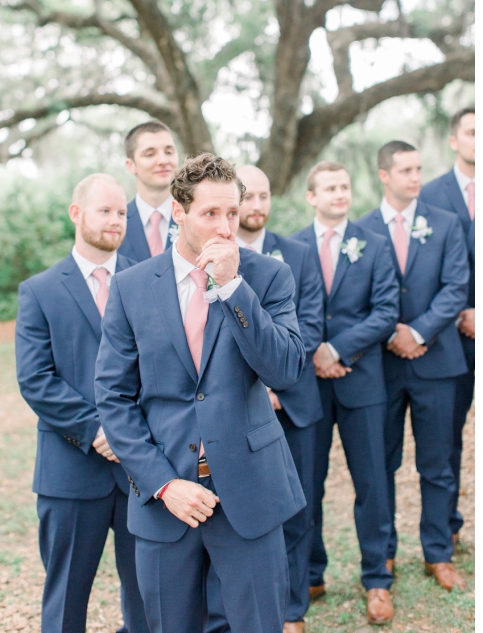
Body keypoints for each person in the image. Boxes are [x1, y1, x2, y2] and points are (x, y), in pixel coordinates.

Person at [95, 153, 307, 633]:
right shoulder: (130, 289)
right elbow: (113, 397)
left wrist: (233, 287)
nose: (226, 226)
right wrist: (164, 484)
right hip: (166, 495)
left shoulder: (268, 277)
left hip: (250, 489)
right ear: (179, 211)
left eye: (232, 212)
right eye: (211, 213)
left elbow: (286, 369)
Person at [17, 174, 149, 633]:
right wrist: (96, 430)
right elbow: (35, 379)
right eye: (105, 211)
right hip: (70, 471)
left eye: (121, 213)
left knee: (149, 598)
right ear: (77, 214)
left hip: (141, 470)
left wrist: (129, 435)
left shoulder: (145, 281)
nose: (115, 220)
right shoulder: (40, 290)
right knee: (66, 600)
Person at [199, 165, 323, 633]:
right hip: (233, 413)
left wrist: (272, 383)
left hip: (294, 402)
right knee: (231, 518)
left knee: (295, 510)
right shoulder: (193, 264)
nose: (252, 208)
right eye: (242, 200)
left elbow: (305, 327)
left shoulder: (292, 257)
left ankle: (291, 609)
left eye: (260, 197)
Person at [356, 141, 469, 592]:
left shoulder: (446, 224)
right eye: (405, 170)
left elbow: (456, 286)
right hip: (379, 367)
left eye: (419, 169)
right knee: (379, 465)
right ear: (384, 174)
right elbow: (353, 299)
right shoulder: (360, 229)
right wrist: (390, 335)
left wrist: (418, 333)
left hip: (436, 361)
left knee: (437, 463)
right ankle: (382, 555)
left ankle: (438, 552)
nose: (415, 177)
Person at [292, 161, 399, 624]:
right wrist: (313, 352)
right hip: (306, 387)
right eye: (329, 187)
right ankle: (310, 573)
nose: (339, 193)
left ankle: (377, 579)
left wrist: (335, 348)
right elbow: (282, 310)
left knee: (372, 482)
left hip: (363, 380)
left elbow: (386, 311)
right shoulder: (290, 247)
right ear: (311, 196)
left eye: (345, 185)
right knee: (306, 483)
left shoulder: (375, 245)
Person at [418, 106, 476, 553]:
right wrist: (458, 312)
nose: (478, 141)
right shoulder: (430, 195)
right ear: (454, 141)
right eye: (470, 133)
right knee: (448, 433)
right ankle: (449, 523)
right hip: (447, 337)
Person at [120, 121, 180, 262]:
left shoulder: (194, 217)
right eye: (150, 154)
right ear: (131, 165)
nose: (163, 160)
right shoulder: (117, 223)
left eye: (169, 152)